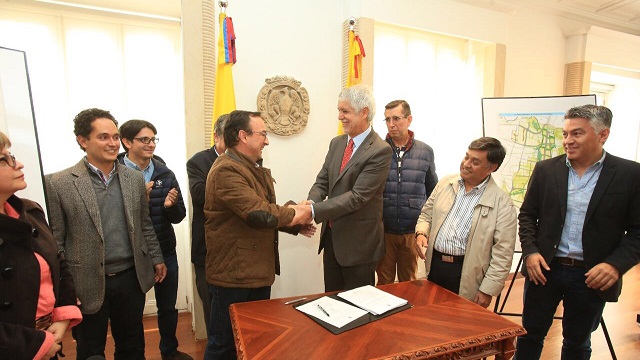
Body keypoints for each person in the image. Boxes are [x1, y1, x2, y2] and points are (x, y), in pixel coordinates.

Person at [515, 105, 640, 359]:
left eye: (577, 134)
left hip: (591, 276)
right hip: (545, 271)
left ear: (602, 135)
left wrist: (615, 265)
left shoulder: (630, 174)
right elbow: (527, 215)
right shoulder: (546, 170)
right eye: (565, 134)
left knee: (577, 342)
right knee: (529, 336)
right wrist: (530, 252)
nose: (568, 141)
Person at [45, 108, 167, 360]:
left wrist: (156, 257)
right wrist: (65, 289)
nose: (112, 143)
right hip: (86, 281)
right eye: (103, 137)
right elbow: (57, 241)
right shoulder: (59, 183)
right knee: (90, 351)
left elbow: (144, 224)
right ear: (82, 140)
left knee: (132, 347)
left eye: (115, 136)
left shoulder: (133, 178)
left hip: (130, 279)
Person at [203, 110, 314, 359]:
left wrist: (294, 220)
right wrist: (296, 213)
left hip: (253, 272)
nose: (266, 140)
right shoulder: (226, 170)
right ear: (243, 136)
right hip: (233, 276)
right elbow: (258, 214)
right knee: (223, 345)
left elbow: (259, 210)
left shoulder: (249, 167)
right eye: (262, 133)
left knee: (251, 341)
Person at [0, 131, 82, 359]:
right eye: (3, 159)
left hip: (47, 341)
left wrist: (63, 316)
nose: (18, 164)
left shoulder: (30, 212)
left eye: (12, 155)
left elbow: (58, 263)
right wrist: (34, 344)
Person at [303, 84, 392, 292]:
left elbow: (357, 197)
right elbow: (322, 181)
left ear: (364, 113)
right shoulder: (337, 143)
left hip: (359, 246)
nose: (339, 116)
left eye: (345, 111)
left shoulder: (380, 150)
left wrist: (313, 212)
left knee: (357, 310)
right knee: (332, 302)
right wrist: (311, 201)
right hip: (332, 240)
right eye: (339, 110)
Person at [118, 120, 191, 360]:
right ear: (127, 142)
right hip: (131, 255)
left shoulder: (164, 173)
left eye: (153, 139)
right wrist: (140, 202)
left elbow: (179, 215)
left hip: (165, 250)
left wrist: (169, 207)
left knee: (168, 308)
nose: (151, 145)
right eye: (144, 140)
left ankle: (169, 352)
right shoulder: (114, 174)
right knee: (131, 312)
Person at [415, 137, 517, 308]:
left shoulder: (502, 203)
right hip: (435, 267)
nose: (466, 164)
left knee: (460, 325)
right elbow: (426, 214)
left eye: (475, 161)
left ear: (491, 168)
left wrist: (487, 290)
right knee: (432, 319)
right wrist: (421, 233)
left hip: (467, 274)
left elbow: (503, 253)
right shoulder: (445, 184)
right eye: (466, 157)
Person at [377, 100, 438, 284]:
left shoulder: (425, 151)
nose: (391, 124)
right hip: (383, 229)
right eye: (387, 119)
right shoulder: (377, 150)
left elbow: (432, 191)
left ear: (409, 119)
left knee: (409, 282)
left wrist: (426, 229)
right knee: (384, 282)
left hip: (412, 230)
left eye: (396, 118)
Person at [186, 114, 227, 333]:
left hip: (236, 252)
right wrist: (234, 189)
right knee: (213, 311)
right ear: (216, 136)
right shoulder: (198, 161)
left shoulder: (252, 160)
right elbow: (200, 195)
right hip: (208, 250)